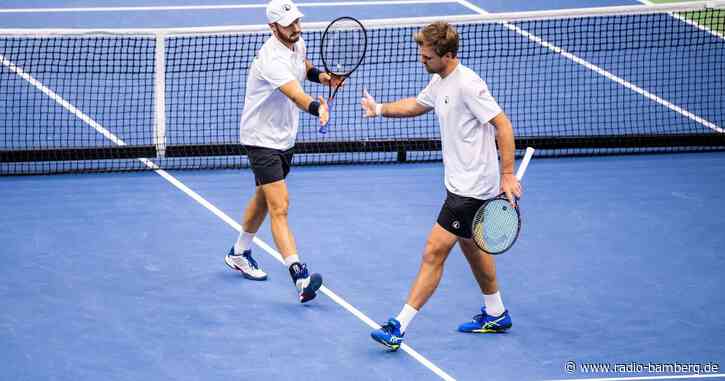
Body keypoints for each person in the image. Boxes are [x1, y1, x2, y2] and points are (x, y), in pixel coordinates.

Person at [361, 21, 522, 350]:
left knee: (433, 251)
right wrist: (379, 109)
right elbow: (417, 106)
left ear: (447, 56)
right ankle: (496, 312)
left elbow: (502, 126)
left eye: (427, 57)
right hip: (459, 184)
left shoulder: (469, 85)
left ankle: (398, 326)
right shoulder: (440, 80)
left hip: (473, 188)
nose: (422, 60)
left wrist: (507, 173)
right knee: (472, 247)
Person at [225, 0, 341, 303]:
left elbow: (303, 69)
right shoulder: (270, 60)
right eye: (289, 25)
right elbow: (295, 93)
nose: (297, 29)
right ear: (272, 27)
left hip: (284, 137)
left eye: (297, 22)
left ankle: (239, 252)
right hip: (260, 139)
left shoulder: (297, 43)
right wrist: (318, 108)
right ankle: (299, 275)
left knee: (264, 197)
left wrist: (324, 78)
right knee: (280, 205)